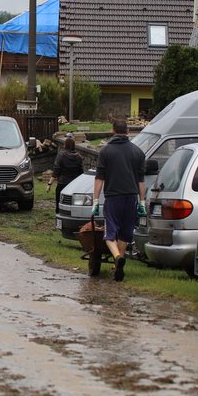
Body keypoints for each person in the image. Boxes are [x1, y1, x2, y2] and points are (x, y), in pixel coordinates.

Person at [91, 119, 146, 282]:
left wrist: (95, 202)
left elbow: (99, 178)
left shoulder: (105, 151)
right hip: (131, 198)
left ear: (113, 131)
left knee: (110, 234)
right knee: (126, 233)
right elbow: (141, 181)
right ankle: (118, 265)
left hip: (113, 198)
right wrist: (142, 202)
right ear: (127, 131)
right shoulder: (138, 152)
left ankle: (116, 256)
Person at [48, 137, 83, 213]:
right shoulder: (79, 157)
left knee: (60, 203)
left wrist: (50, 183)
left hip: (62, 183)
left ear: (65, 145)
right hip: (74, 184)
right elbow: (81, 172)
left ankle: (60, 216)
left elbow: (56, 171)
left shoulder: (61, 155)